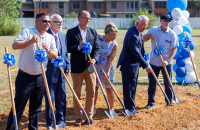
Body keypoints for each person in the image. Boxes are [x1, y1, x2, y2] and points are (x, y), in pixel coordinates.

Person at [6, 13, 58, 130]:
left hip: (41, 77)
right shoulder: (27, 32)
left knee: (36, 108)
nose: (47, 24)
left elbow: (55, 55)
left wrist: (48, 50)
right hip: (25, 77)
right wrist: (30, 41)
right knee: (18, 106)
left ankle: (33, 128)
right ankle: (11, 128)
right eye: (45, 21)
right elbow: (15, 45)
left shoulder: (50, 37)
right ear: (37, 22)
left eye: (49, 21)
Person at [66, 10, 100, 126]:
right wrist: (78, 47)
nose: (87, 21)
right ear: (79, 18)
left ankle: (89, 117)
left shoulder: (93, 32)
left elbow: (97, 49)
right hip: (77, 67)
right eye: (85, 18)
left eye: (89, 19)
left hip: (90, 68)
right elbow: (67, 48)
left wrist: (94, 59)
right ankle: (79, 117)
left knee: (91, 93)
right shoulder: (71, 32)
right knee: (77, 93)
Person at [117, 15, 152, 114]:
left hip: (134, 65)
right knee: (129, 89)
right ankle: (129, 109)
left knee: (132, 88)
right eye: (143, 25)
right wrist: (146, 65)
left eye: (146, 26)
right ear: (137, 23)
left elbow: (140, 48)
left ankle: (130, 107)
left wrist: (144, 56)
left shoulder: (137, 31)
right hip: (129, 66)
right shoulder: (133, 34)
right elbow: (135, 53)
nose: (145, 28)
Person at [143, 13, 178, 110]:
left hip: (166, 63)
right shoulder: (153, 30)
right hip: (153, 62)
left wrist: (168, 60)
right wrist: (149, 35)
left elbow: (174, 49)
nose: (167, 22)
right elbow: (143, 39)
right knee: (152, 84)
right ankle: (150, 103)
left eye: (169, 21)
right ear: (160, 21)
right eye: (165, 20)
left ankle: (169, 102)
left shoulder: (172, 34)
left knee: (168, 83)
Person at [44, 14, 71, 129]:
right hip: (50, 72)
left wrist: (68, 65)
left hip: (62, 72)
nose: (60, 24)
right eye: (57, 22)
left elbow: (65, 54)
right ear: (50, 23)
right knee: (50, 99)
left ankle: (61, 121)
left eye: (62, 22)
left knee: (62, 98)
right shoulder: (45, 36)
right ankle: (50, 123)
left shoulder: (62, 36)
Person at [94, 22, 118, 115]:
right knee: (94, 87)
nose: (114, 38)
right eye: (113, 36)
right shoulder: (98, 37)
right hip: (96, 65)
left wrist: (107, 72)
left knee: (109, 88)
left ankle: (111, 109)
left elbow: (111, 59)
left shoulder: (114, 44)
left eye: (115, 36)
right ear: (107, 34)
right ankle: (93, 107)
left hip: (107, 67)